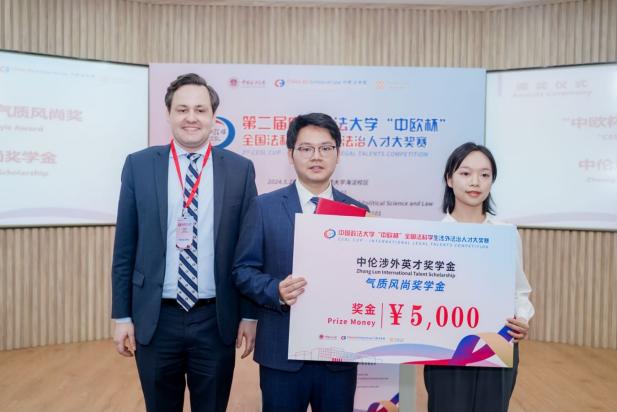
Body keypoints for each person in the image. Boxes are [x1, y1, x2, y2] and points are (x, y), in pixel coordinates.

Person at [111, 73, 257, 412]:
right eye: (182, 109)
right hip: (155, 318)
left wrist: (250, 316)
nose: (191, 117)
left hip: (215, 319)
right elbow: (124, 248)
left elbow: (248, 250)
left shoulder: (240, 170)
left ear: (214, 117)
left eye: (200, 110)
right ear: (168, 114)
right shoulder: (139, 165)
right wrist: (122, 316)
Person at [232, 113, 368, 412]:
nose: (316, 156)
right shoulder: (264, 207)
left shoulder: (357, 212)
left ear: (338, 153)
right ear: (290, 154)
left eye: (325, 148)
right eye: (306, 148)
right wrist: (276, 290)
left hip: (338, 355)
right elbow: (243, 270)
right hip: (281, 353)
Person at [423, 142, 535, 412]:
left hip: (497, 344)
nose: (475, 182)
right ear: (449, 179)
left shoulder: (506, 233)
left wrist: (522, 318)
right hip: (446, 349)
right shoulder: (431, 236)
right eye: (465, 173)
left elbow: (519, 289)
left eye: (485, 175)